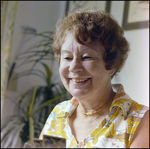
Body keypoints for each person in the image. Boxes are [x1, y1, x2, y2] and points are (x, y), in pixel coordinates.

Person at [39, 8, 149, 148]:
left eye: (86, 57)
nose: (74, 67)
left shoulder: (140, 120)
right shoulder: (58, 114)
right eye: (67, 57)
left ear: (112, 65)